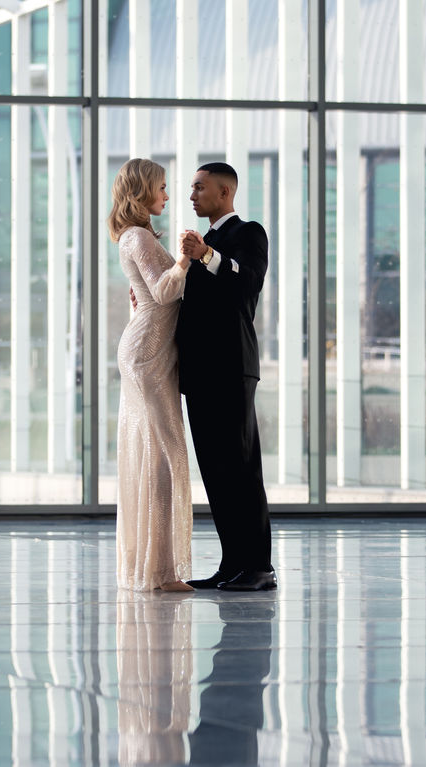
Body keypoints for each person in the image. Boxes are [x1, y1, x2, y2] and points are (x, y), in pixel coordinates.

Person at [177, 162, 276, 591]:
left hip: (233, 367)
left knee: (240, 468)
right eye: (191, 188)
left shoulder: (247, 234)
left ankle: (259, 568)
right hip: (199, 371)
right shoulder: (205, 242)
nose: (192, 195)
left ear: (224, 192)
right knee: (216, 472)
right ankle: (231, 563)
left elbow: (248, 281)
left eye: (199, 188)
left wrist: (208, 256)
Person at [108, 158, 194, 592]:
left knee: (154, 454)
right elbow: (162, 290)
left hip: (148, 350)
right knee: (163, 455)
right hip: (147, 353)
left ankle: (153, 567)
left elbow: (144, 294)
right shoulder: (139, 236)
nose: (166, 194)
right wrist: (185, 259)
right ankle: (159, 572)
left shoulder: (132, 237)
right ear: (142, 191)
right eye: (161, 187)